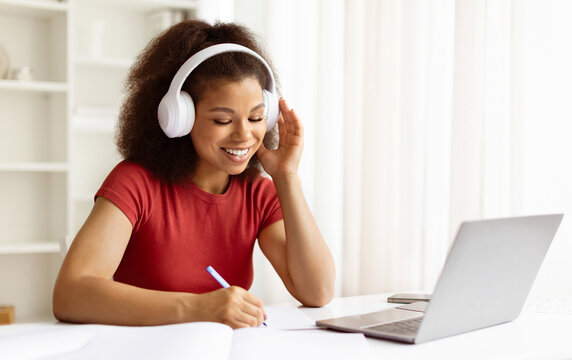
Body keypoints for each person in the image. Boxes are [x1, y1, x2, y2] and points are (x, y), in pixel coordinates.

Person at [52, 20, 335, 329]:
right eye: (223, 120)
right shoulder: (135, 182)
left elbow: (317, 292)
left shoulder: (257, 193)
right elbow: (70, 294)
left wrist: (286, 177)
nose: (244, 135)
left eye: (255, 117)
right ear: (180, 117)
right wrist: (198, 307)